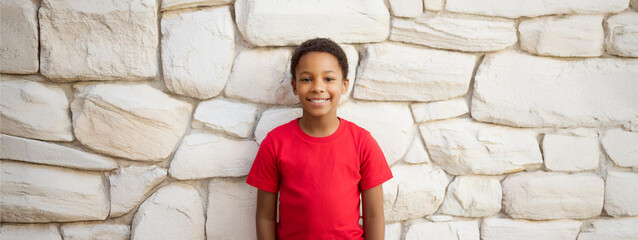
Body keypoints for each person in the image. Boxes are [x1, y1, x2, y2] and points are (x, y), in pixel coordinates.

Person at [246, 38, 393, 240]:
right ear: (294, 86)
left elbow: (375, 216)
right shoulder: (275, 143)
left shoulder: (362, 143)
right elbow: (265, 217)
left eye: (328, 79)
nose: (317, 87)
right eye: (307, 79)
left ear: (344, 85)